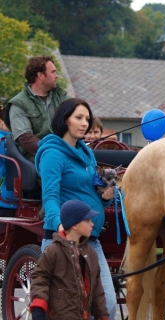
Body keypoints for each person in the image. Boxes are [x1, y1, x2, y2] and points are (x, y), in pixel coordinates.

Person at [35, 98, 117, 320]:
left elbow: (91, 193)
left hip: (90, 240)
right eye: (78, 117)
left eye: (87, 119)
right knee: (72, 309)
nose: (85, 124)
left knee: (107, 305)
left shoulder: (86, 154)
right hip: (61, 241)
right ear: (65, 120)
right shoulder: (53, 154)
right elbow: (50, 197)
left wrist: (106, 197)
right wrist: (60, 224)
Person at [30, 200, 109, 320]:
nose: (92, 224)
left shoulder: (91, 254)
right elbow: (40, 279)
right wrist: (38, 309)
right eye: (87, 220)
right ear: (74, 225)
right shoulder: (53, 251)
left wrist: (102, 316)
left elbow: (97, 290)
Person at [3, 56, 70, 162]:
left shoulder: (62, 97)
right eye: (53, 72)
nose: (56, 76)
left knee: (100, 161)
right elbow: (25, 138)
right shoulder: (18, 104)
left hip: (66, 153)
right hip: (35, 159)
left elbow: (80, 116)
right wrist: (53, 151)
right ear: (40, 75)